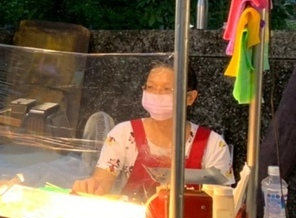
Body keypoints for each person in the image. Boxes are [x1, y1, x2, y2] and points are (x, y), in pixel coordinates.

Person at [71, 59, 232, 199]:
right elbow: (101, 183)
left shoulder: (213, 144)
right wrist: (90, 188)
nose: (156, 94)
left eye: (167, 89)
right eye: (151, 87)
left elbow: (221, 204)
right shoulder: (123, 134)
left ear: (190, 98)